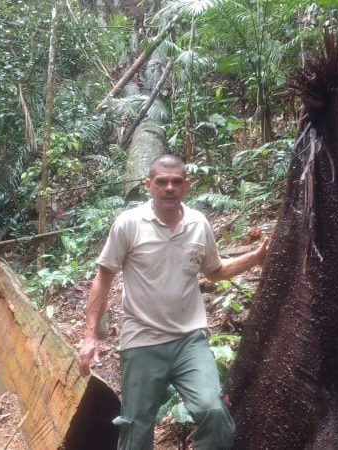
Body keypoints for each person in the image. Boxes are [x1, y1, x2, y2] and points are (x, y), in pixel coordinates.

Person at [78, 154, 269, 450]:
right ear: (149, 185)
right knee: (135, 427)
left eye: (176, 182)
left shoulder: (198, 224)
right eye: (162, 182)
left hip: (189, 340)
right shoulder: (129, 223)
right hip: (142, 340)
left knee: (213, 411)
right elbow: (103, 278)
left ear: (186, 186)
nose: (169, 188)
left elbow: (215, 271)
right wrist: (90, 336)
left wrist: (255, 258)